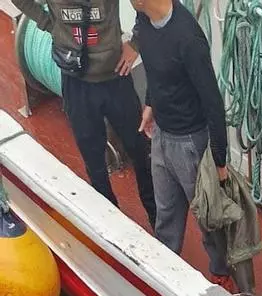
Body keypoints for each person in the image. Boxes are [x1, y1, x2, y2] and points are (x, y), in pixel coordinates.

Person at [13, 0, 156, 227]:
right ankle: (113, 225)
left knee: (139, 151)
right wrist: (50, 24)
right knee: (94, 161)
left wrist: (136, 42)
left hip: (115, 78)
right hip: (76, 85)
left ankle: (157, 219)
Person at [130, 0, 233, 287]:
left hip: (190, 143)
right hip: (162, 134)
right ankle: (164, 269)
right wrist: (151, 104)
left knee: (207, 218)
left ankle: (223, 272)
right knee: (166, 211)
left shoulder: (188, 39)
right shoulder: (144, 20)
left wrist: (219, 161)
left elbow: (213, 102)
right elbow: (153, 66)